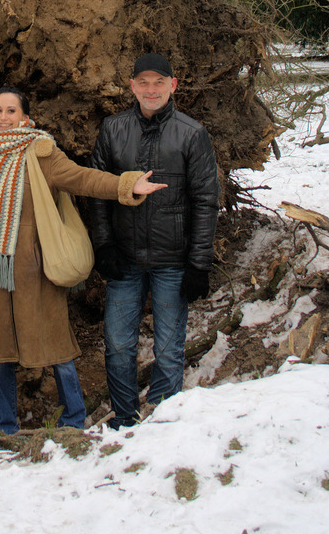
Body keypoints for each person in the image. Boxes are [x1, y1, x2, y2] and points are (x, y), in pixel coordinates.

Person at [0, 86, 167, 434]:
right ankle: (3, 424)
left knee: (56, 344)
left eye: (11, 111)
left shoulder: (41, 151)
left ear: (26, 117)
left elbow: (82, 178)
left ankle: (73, 418)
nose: (3, 118)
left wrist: (127, 186)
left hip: (34, 268)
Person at [89, 52, 219, 429]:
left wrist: (198, 263)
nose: (151, 89)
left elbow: (206, 201)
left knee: (167, 349)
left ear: (173, 85)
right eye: (143, 82)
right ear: (131, 86)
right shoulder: (113, 129)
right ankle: (125, 418)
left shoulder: (191, 133)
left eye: (159, 82)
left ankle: (163, 422)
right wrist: (105, 245)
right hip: (124, 260)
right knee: (118, 346)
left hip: (172, 262)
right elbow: (98, 191)